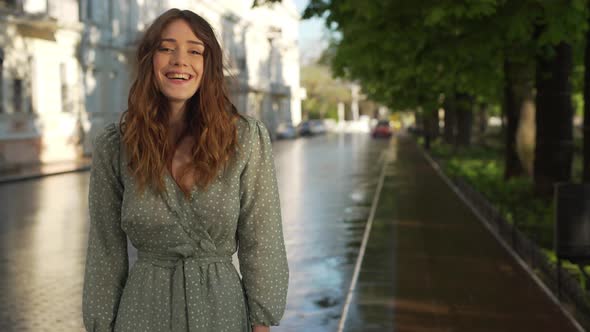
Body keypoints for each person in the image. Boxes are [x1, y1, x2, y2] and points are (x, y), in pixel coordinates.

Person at [82, 8, 289, 332]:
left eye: (195, 51)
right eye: (166, 48)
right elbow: (104, 251)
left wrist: (261, 322)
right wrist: (99, 324)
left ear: (209, 66)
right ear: (150, 59)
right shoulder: (116, 145)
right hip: (141, 316)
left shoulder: (245, 139)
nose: (180, 60)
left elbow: (262, 241)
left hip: (220, 313)